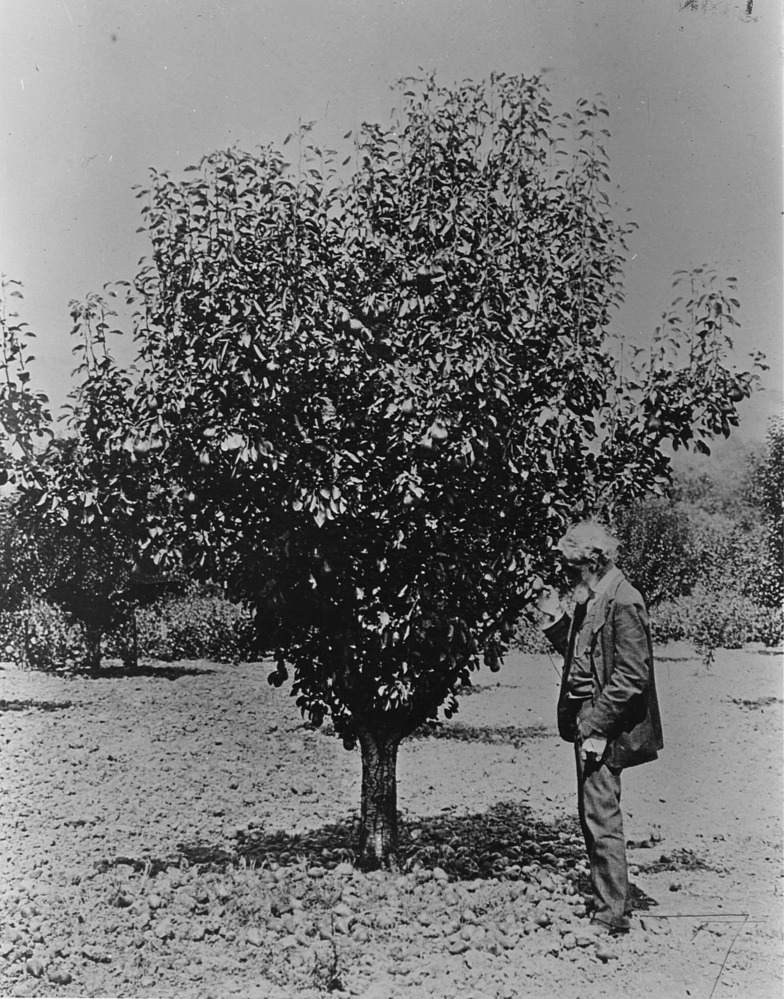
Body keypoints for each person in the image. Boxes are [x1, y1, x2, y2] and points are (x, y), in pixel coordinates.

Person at [534, 520, 663, 937]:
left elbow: (631, 677)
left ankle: (611, 914)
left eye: (575, 568)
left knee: (601, 816)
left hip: (604, 721)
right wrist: (553, 618)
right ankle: (606, 897)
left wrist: (595, 726)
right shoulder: (596, 597)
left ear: (592, 561)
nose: (573, 576)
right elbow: (581, 655)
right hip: (590, 717)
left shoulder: (625, 599)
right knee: (592, 812)